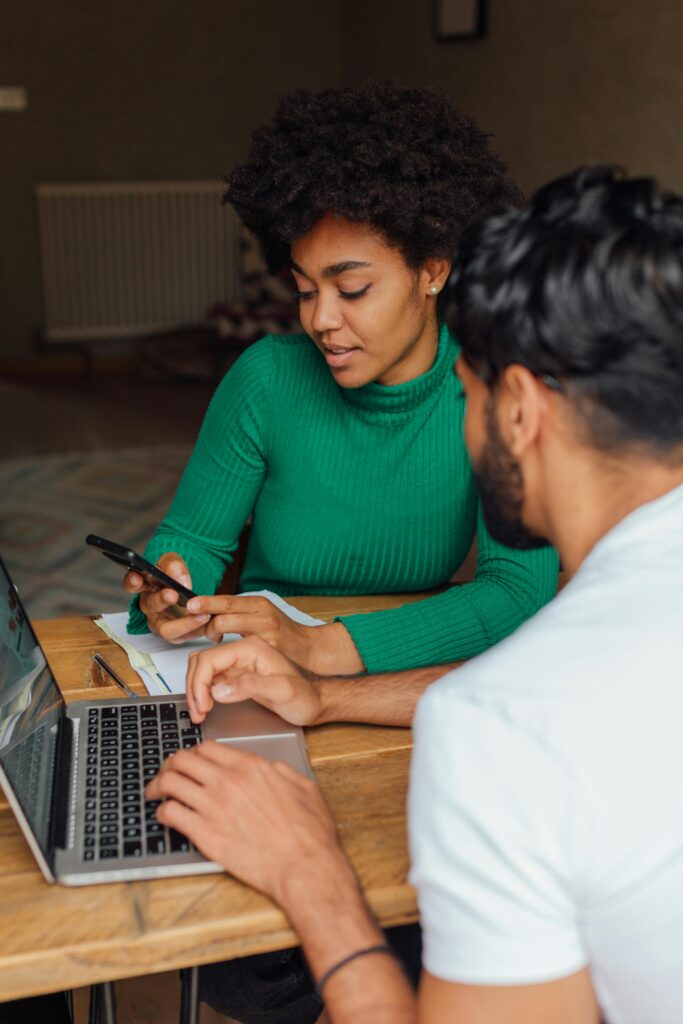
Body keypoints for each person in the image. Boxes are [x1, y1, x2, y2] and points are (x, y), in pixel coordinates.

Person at [148, 166, 683, 1023]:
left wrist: (306, 870)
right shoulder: (542, 692)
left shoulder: (497, 731)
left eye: (466, 394)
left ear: (517, 411)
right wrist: (323, 697)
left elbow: (514, 709)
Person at [125, 81, 558, 677]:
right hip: (258, 667)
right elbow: (193, 539)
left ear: (431, 272)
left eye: (352, 289)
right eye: (305, 290)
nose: (320, 320)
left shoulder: (493, 390)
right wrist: (168, 584)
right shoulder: (267, 378)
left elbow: (516, 589)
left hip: (400, 667)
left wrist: (324, 647)